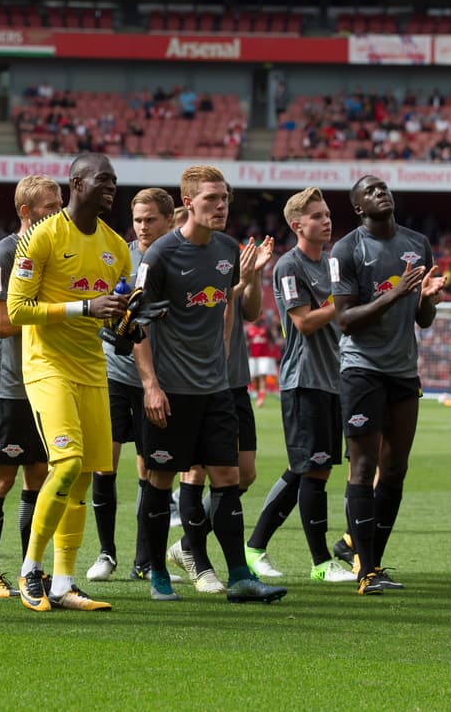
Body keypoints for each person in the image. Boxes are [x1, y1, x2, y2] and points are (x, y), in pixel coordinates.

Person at [135, 164, 287, 605]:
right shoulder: (160, 255)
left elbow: (230, 309)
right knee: (160, 480)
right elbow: (136, 325)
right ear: (188, 203)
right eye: (210, 200)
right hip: (171, 391)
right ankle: (159, 572)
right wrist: (150, 386)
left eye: (224, 199)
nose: (220, 206)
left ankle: (239, 576)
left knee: (228, 476)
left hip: (216, 388)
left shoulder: (227, 248)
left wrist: (219, 362)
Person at [6, 153, 132, 612]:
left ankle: (63, 582)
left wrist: (130, 323)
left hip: (92, 368)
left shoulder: (116, 247)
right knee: (66, 462)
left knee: (83, 476)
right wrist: (84, 308)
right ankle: (29, 571)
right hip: (47, 365)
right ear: (77, 183)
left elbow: (114, 314)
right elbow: (17, 311)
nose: (112, 187)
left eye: (114, 181)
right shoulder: (42, 237)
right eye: (103, 179)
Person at [330, 174, 446, 595]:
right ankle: (366, 571)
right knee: (363, 466)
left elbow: (424, 319)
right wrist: (396, 294)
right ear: (359, 207)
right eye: (370, 190)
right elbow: (344, 320)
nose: (381, 192)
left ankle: (371, 560)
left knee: (395, 469)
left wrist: (427, 298)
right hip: (362, 370)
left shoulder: (418, 243)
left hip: (403, 371)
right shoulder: (347, 249)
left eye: (383, 187)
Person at [245, 188, 356, 584]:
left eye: (327, 214)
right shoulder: (289, 266)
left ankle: (255, 545)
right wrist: (343, 303)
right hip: (303, 379)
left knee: (307, 469)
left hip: (332, 379)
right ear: (297, 225)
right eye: (316, 216)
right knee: (314, 471)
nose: (326, 221)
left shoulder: (333, 264)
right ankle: (321, 562)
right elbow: (304, 322)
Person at [167, 226, 274, 594]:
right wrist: (239, 283)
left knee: (244, 474)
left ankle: (185, 545)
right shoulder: (179, 263)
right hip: (197, 384)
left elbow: (252, 312)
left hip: (234, 380)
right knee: (196, 473)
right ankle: (198, 555)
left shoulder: (227, 256)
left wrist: (252, 277)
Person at [0, 175, 61, 599]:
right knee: (1, 478)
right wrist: (65, 312)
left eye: (60, 202)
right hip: (8, 384)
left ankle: (32, 571)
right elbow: (2, 323)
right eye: (49, 205)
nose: (58, 212)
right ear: (26, 212)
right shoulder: (4, 254)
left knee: (39, 477)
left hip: (45, 382)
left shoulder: (54, 252)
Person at [87, 187, 175, 584]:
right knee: (105, 463)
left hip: (159, 379)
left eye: (150, 219)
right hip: (114, 374)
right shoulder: (120, 256)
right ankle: (106, 552)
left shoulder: (177, 257)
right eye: (137, 220)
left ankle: (144, 556)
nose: (142, 227)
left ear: (168, 220)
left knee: (151, 467)